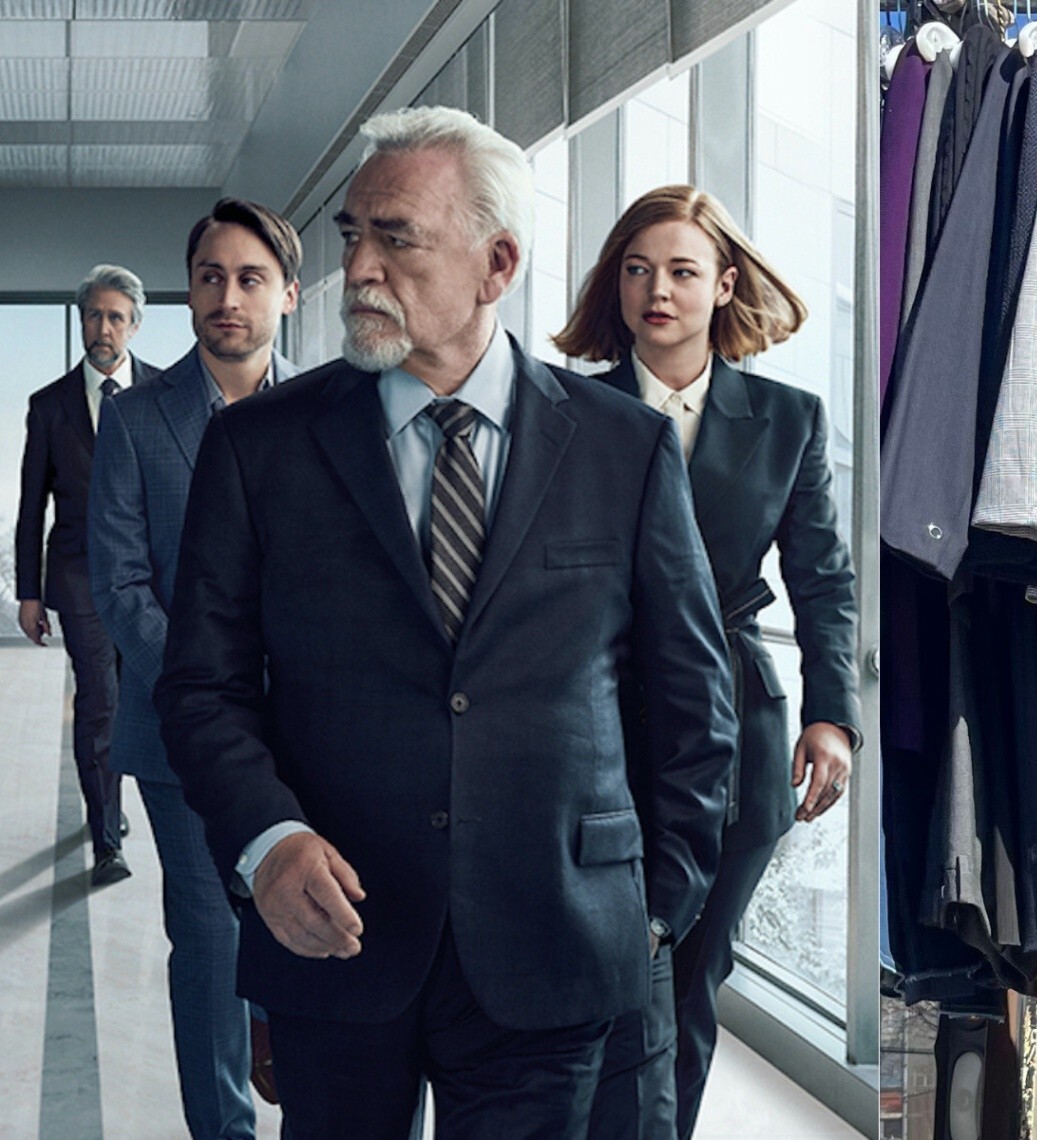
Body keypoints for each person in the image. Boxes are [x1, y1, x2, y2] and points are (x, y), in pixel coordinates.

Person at [155, 106, 738, 1139]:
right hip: (334, 938)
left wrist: (653, 911)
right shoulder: (261, 447)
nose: (362, 268)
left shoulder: (624, 450)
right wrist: (267, 840)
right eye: (352, 236)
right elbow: (204, 686)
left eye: (396, 237)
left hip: (556, 944)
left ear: (497, 262)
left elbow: (693, 700)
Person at [560, 184, 861, 1139]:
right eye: (638, 270)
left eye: (684, 271)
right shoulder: (565, 408)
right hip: (592, 724)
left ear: (724, 285)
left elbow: (825, 582)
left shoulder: (790, 418)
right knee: (599, 984)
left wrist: (833, 716)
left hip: (738, 731)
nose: (659, 291)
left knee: (690, 985)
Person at [88, 198, 302, 1140]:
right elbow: (122, 583)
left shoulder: (330, 412)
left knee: (308, 935)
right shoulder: (136, 422)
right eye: (211, 277)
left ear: (288, 294)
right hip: (182, 738)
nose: (228, 296)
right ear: (187, 293)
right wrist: (212, 695)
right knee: (212, 944)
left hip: (310, 733)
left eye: (251, 278)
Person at [16, 264, 159, 886]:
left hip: (149, 582)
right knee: (99, 704)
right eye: (94, 315)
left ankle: (113, 801)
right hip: (79, 580)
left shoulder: (161, 393)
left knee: (140, 703)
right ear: (82, 321)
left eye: (116, 317)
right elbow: (30, 506)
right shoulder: (49, 407)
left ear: (134, 325)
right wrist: (28, 591)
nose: (104, 328)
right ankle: (107, 842)